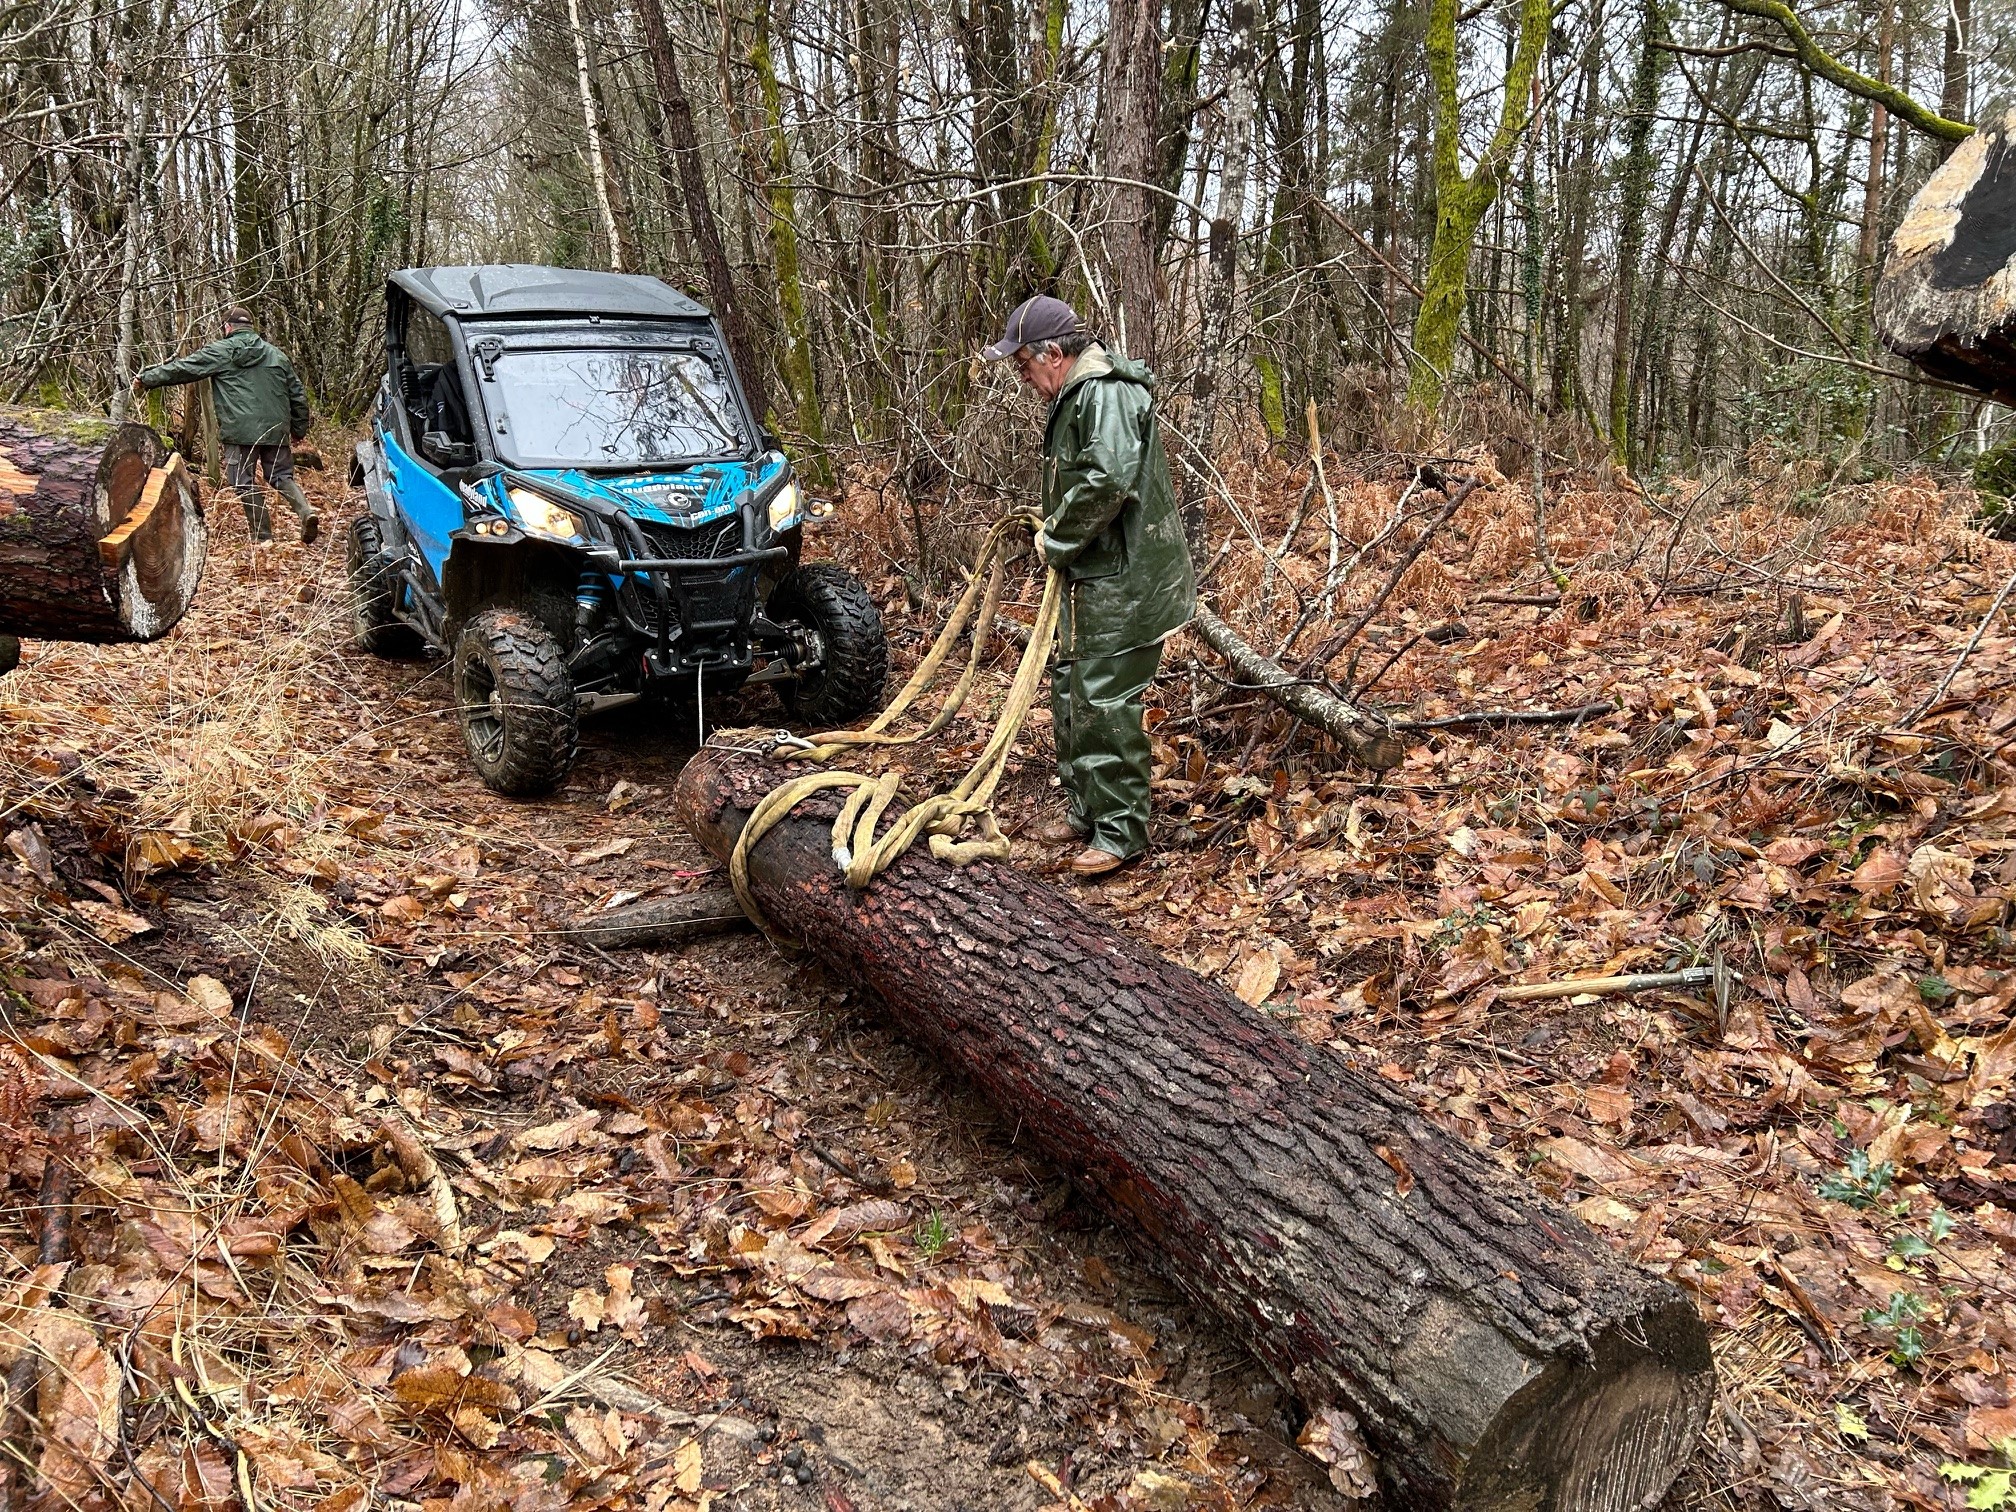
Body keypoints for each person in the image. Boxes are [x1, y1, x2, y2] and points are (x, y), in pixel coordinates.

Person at [984, 294, 1196, 878]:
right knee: (1071, 688)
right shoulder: (1080, 393)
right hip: (1092, 577)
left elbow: (1106, 481)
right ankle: (1087, 810)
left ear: (1053, 353)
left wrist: (1054, 539)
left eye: (1024, 365)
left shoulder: (1105, 392)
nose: (1024, 378)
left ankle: (1121, 831)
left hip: (1122, 582)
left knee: (1104, 699)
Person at [133, 307, 318, 545]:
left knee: (242, 481)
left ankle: (263, 538)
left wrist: (148, 378)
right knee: (281, 475)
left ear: (227, 328)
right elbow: (297, 394)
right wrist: (298, 429)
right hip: (276, 428)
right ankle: (306, 512)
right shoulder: (276, 355)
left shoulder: (221, 351)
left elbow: (184, 368)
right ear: (250, 327)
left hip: (239, 430)